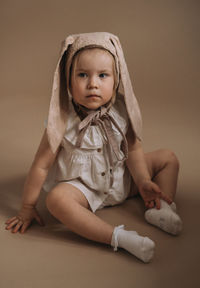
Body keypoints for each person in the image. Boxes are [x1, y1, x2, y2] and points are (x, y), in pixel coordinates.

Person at [5, 32, 182, 263]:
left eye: (102, 75)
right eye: (82, 75)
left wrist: (142, 181)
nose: (93, 84)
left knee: (168, 158)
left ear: (116, 79)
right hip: (84, 189)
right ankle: (118, 237)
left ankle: (161, 209)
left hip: (121, 178)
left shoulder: (122, 109)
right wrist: (27, 207)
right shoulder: (62, 118)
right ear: (68, 80)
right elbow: (41, 165)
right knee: (56, 200)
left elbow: (134, 149)